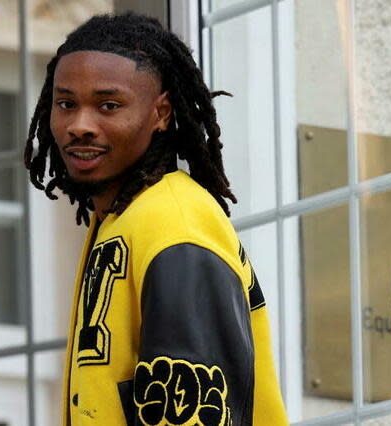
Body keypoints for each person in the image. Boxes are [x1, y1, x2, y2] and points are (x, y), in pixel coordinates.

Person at [24, 13, 286, 425]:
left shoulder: (175, 227)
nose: (80, 126)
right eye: (66, 104)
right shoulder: (123, 217)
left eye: (109, 105)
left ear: (161, 113)